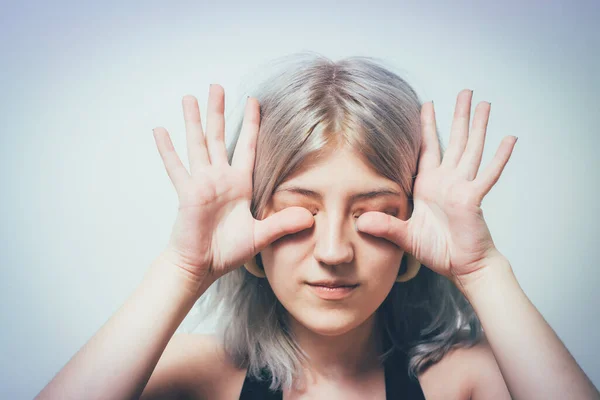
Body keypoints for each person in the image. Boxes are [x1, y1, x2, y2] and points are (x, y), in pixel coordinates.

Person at [36, 53, 599, 400]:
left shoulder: (464, 380)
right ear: (252, 234)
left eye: (370, 214)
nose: (333, 250)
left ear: (413, 235)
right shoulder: (200, 375)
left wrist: (481, 269)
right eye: (300, 213)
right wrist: (183, 268)